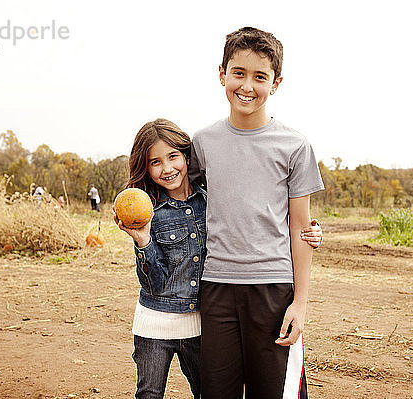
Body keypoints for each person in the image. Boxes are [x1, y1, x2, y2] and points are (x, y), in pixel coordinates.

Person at [113, 119, 323, 399]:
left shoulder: (209, 198)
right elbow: (156, 281)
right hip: (181, 311)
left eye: (173, 157)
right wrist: (143, 242)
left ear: (187, 157)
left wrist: (309, 232)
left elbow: (256, 213)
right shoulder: (152, 211)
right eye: (155, 162)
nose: (167, 168)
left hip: (230, 307)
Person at [189, 27, 325, 398]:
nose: (247, 86)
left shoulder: (294, 145)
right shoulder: (201, 144)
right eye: (239, 73)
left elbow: (301, 228)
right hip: (216, 288)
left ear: (276, 83)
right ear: (222, 74)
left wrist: (300, 303)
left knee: (274, 392)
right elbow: (185, 204)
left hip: (273, 289)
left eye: (260, 77)